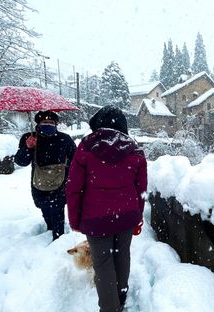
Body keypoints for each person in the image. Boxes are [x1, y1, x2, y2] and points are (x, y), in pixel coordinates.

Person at [66, 105, 147, 312]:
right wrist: (137, 217)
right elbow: (141, 189)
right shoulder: (134, 149)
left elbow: (74, 188)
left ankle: (110, 308)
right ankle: (121, 299)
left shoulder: (85, 148)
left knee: (102, 263)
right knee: (122, 257)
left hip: (96, 219)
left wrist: (75, 220)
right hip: (126, 216)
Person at [15, 110, 76, 241]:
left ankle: (58, 241)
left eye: (51, 122)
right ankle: (50, 229)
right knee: (46, 211)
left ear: (56, 124)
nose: (48, 124)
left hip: (61, 184)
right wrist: (28, 148)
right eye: (44, 122)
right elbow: (21, 162)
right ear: (38, 123)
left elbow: (75, 159)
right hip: (39, 183)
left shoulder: (64, 139)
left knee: (58, 212)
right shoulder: (29, 138)